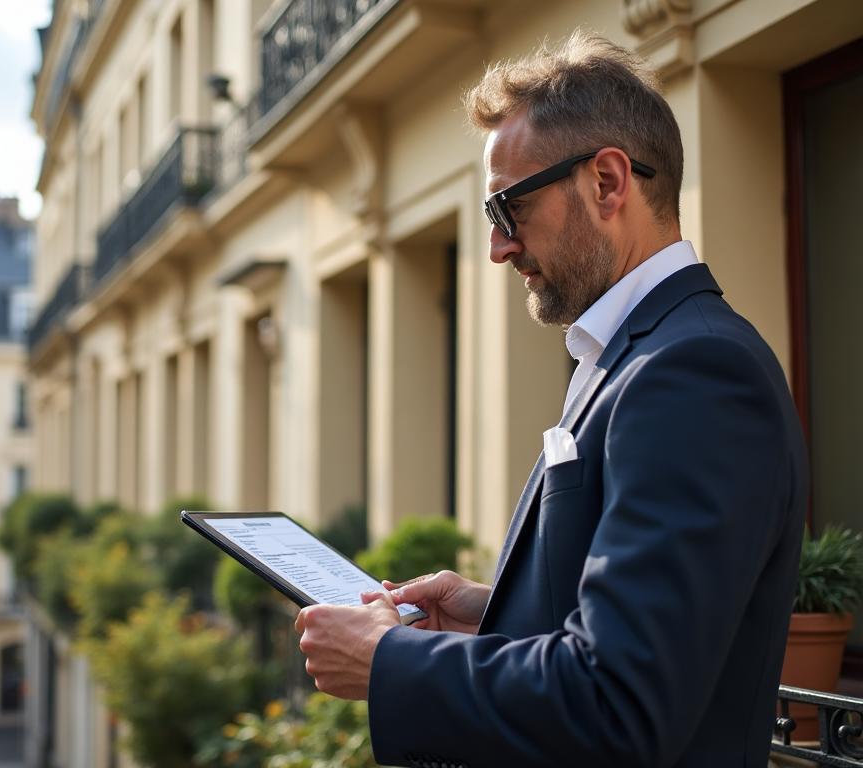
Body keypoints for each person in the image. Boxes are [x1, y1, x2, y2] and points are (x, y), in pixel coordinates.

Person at [294, 30, 807, 768]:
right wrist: (495, 612)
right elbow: (609, 629)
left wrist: (387, 664)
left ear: (606, 183)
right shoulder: (636, 353)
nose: (499, 247)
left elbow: (621, 702)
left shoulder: (694, 370)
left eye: (509, 210)